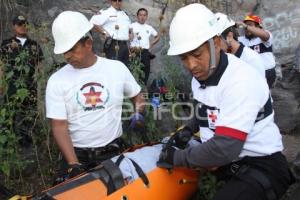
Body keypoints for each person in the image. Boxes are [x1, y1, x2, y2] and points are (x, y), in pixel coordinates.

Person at [157, 4, 293, 200]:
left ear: (216, 44)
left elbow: (224, 148)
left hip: (262, 165)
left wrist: (177, 158)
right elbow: (207, 108)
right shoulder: (201, 77)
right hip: (229, 165)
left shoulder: (240, 80)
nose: (191, 65)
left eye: (196, 54)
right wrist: (187, 131)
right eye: (183, 58)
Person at [46, 11, 145, 180]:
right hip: (76, 156)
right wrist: (73, 164)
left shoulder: (116, 69)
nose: (67, 55)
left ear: (89, 43)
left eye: (72, 49)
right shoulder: (57, 80)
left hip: (112, 152)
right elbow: (59, 126)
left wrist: (139, 113)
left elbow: (138, 97)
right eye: (64, 51)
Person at [0, 15, 43, 146]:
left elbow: (39, 63)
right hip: (12, 83)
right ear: (14, 26)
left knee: (29, 113)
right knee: (9, 113)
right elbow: (1, 64)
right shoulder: (6, 43)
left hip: (30, 84)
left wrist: (38, 78)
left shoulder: (34, 44)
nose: (23, 27)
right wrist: (1, 82)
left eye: (25, 24)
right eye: (20, 24)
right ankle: (7, 143)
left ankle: (27, 142)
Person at [215, 12, 265, 78]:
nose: (214, 46)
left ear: (229, 36)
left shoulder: (252, 59)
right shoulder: (223, 58)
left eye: (216, 40)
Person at [237, 14, 276, 88]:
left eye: (250, 25)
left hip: (267, 72)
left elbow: (265, 36)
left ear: (258, 26)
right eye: (245, 26)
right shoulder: (240, 39)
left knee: (266, 95)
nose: (247, 28)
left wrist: (246, 26)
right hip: (251, 74)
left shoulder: (264, 36)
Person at [90, 0, 132, 66]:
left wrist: (129, 37)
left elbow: (129, 29)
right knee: (112, 68)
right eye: (115, 0)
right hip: (113, 44)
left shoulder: (125, 14)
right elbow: (93, 22)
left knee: (125, 68)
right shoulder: (106, 12)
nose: (117, 2)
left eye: (120, 0)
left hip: (125, 46)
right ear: (111, 1)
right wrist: (104, 33)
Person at [129, 8, 160, 85]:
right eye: (140, 15)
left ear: (146, 17)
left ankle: (142, 88)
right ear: (137, 16)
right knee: (133, 71)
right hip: (134, 51)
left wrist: (151, 44)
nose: (142, 17)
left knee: (145, 72)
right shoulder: (131, 26)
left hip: (145, 52)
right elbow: (128, 38)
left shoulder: (149, 27)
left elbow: (157, 36)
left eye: (144, 15)